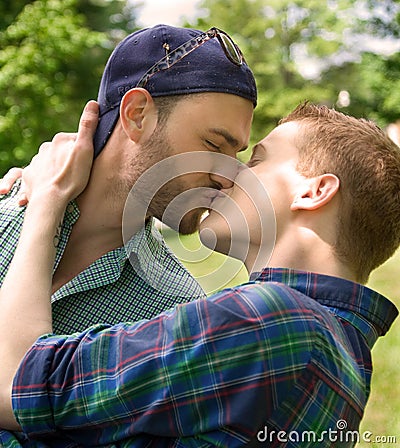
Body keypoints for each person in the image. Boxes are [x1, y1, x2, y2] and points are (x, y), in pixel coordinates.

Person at [0, 102, 399, 447]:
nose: (227, 176)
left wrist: (47, 201)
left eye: (256, 160)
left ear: (313, 192)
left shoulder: (269, 319)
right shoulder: (347, 358)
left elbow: (20, 386)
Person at [0, 24, 257, 335]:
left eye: (236, 153)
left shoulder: (176, 316)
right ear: (137, 115)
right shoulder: (6, 211)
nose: (228, 179)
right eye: (214, 145)